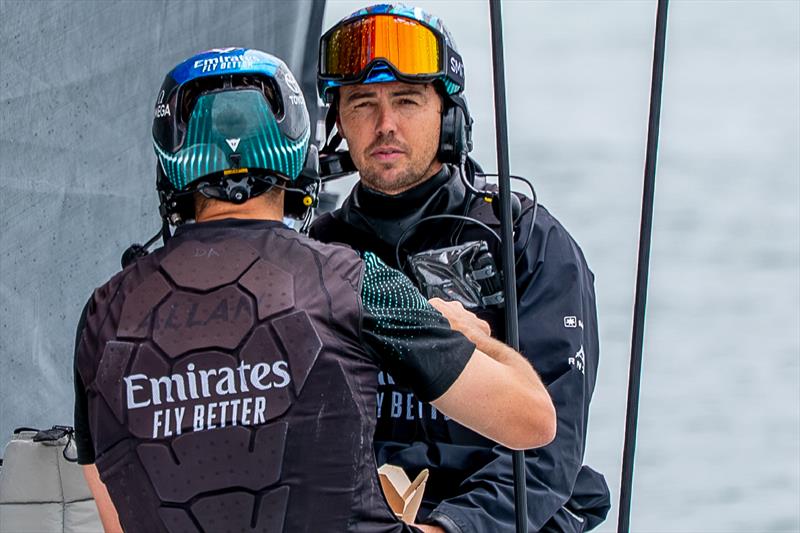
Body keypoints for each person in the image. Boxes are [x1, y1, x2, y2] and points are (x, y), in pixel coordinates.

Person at [72, 48, 556, 533]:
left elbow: (119, 519)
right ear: (301, 159)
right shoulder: (357, 281)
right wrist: (461, 334)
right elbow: (532, 420)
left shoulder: (103, 314)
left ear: (171, 169)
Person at [310, 5, 611, 532]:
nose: (385, 125)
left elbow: (550, 449)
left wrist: (447, 527)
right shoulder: (315, 251)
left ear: (448, 117)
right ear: (337, 123)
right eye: (362, 104)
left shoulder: (526, 242)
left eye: (407, 100)